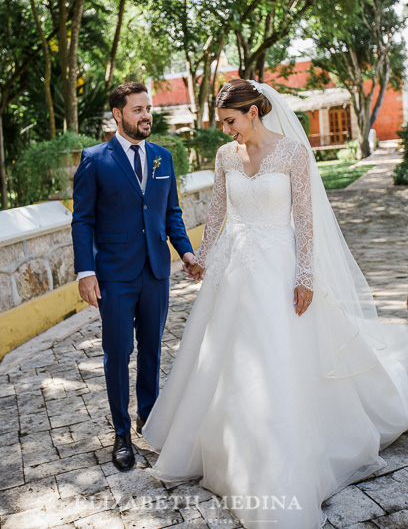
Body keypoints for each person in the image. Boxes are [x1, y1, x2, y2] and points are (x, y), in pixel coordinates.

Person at [142, 79, 408, 529]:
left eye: (231, 121)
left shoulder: (291, 153)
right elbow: (219, 213)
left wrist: (305, 275)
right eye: (223, 122)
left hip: (280, 268)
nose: (228, 130)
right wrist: (201, 257)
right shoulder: (226, 156)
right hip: (234, 269)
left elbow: (304, 218)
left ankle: (293, 454)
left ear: (253, 112)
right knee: (224, 359)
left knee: (282, 357)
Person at [71, 82, 196, 472]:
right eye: (138, 109)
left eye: (148, 108)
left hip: (157, 271)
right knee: (118, 352)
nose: (146, 115)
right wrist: (86, 271)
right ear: (118, 114)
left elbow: (170, 212)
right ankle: (122, 433)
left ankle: (149, 420)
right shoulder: (95, 160)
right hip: (114, 276)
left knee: (153, 350)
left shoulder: (163, 157)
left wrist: (186, 252)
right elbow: (83, 220)